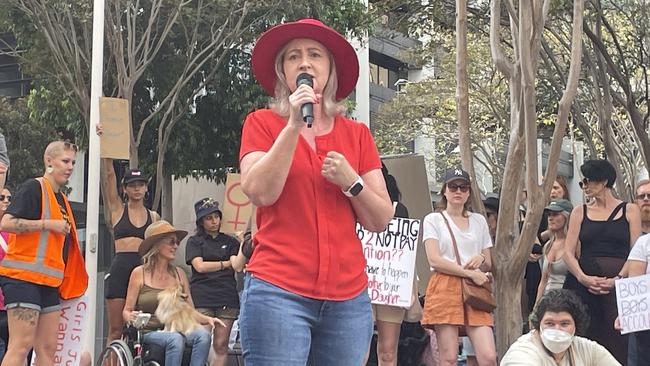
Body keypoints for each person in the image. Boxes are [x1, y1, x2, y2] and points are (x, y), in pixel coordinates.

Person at [238, 18, 393, 365]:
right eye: (293, 57)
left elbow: (381, 218)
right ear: (283, 73)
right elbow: (259, 192)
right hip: (278, 292)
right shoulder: (262, 124)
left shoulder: (357, 135)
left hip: (347, 300)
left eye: (314, 55)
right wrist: (293, 126)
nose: (304, 62)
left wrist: (352, 182)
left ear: (329, 70)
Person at [0, 141, 88, 366]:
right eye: (65, 161)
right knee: (21, 345)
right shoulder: (34, 187)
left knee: (48, 349)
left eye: (73, 163)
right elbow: (6, 223)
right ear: (49, 161)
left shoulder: (62, 200)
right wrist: (47, 224)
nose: (70, 167)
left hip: (50, 282)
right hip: (23, 278)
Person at [563, 159, 641, 363]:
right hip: (586, 286)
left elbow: (636, 251)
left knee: (620, 340)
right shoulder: (580, 212)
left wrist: (618, 278)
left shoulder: (630, 210)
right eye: (582, 183)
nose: (585, 186)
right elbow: (568, 252)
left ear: (604, 181)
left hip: (620, 287)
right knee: (586, 339)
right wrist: (582, 277)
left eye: (588, 181)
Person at [421, 168, 496, 366]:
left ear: (469, 192)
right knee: (449, 357)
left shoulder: (478, 220)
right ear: (444, 190)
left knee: (488, 356)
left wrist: (480, 257)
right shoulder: (433, 219)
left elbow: (489, 261)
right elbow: (434, 260)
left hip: (475, 288)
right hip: (445, 285)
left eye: (463, 187)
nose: (458, 191)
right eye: (453, 186)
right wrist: (469, 272)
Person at [123, 220, 221, 366]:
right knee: (175, 339)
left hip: (177, 328)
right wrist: (130, 316)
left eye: (177, 242)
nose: (176, 246)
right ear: (156, 245)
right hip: (148, 332)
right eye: (171, 242)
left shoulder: (179, 274)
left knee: (204, 336)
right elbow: (126, 311)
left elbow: (190, 312)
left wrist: (208, 319)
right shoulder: (139, 273)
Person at [97, 122, 161, 343]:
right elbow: (108, 177)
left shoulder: (154, 217)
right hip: (120, 269)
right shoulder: (117, 209)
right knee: (115, 330)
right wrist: (106, 148)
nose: (136, 188)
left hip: (144, 271)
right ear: (125, 189)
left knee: (143, 331)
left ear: (146, 188)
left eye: (140, 184)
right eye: (132, 184)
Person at [186, 198, 246, 366]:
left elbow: (238, 266)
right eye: (208, 218)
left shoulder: (230, 241)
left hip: (226, 296)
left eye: (216, 216)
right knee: (202, 341)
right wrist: (224, 264)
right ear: (201, 221)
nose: (213, 221)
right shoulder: (194, 241)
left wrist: (242, 241)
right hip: (202, 296)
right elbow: (200, 266)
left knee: (221, 345)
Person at [501, 289, 620, 365]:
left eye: (564, 324)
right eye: (549, 323)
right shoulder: (522, 353)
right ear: (538, 325)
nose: (557, 330)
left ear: (575, 326)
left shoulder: (585, 348)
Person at [535, 199, 572, 305]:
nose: (551, 218)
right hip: (547, 302)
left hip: (567, 302)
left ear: (566, 217)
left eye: (556, 214)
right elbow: (543, 281)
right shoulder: (548, 245)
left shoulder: (574, 245)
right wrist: (536, 309)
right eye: (549, 214)